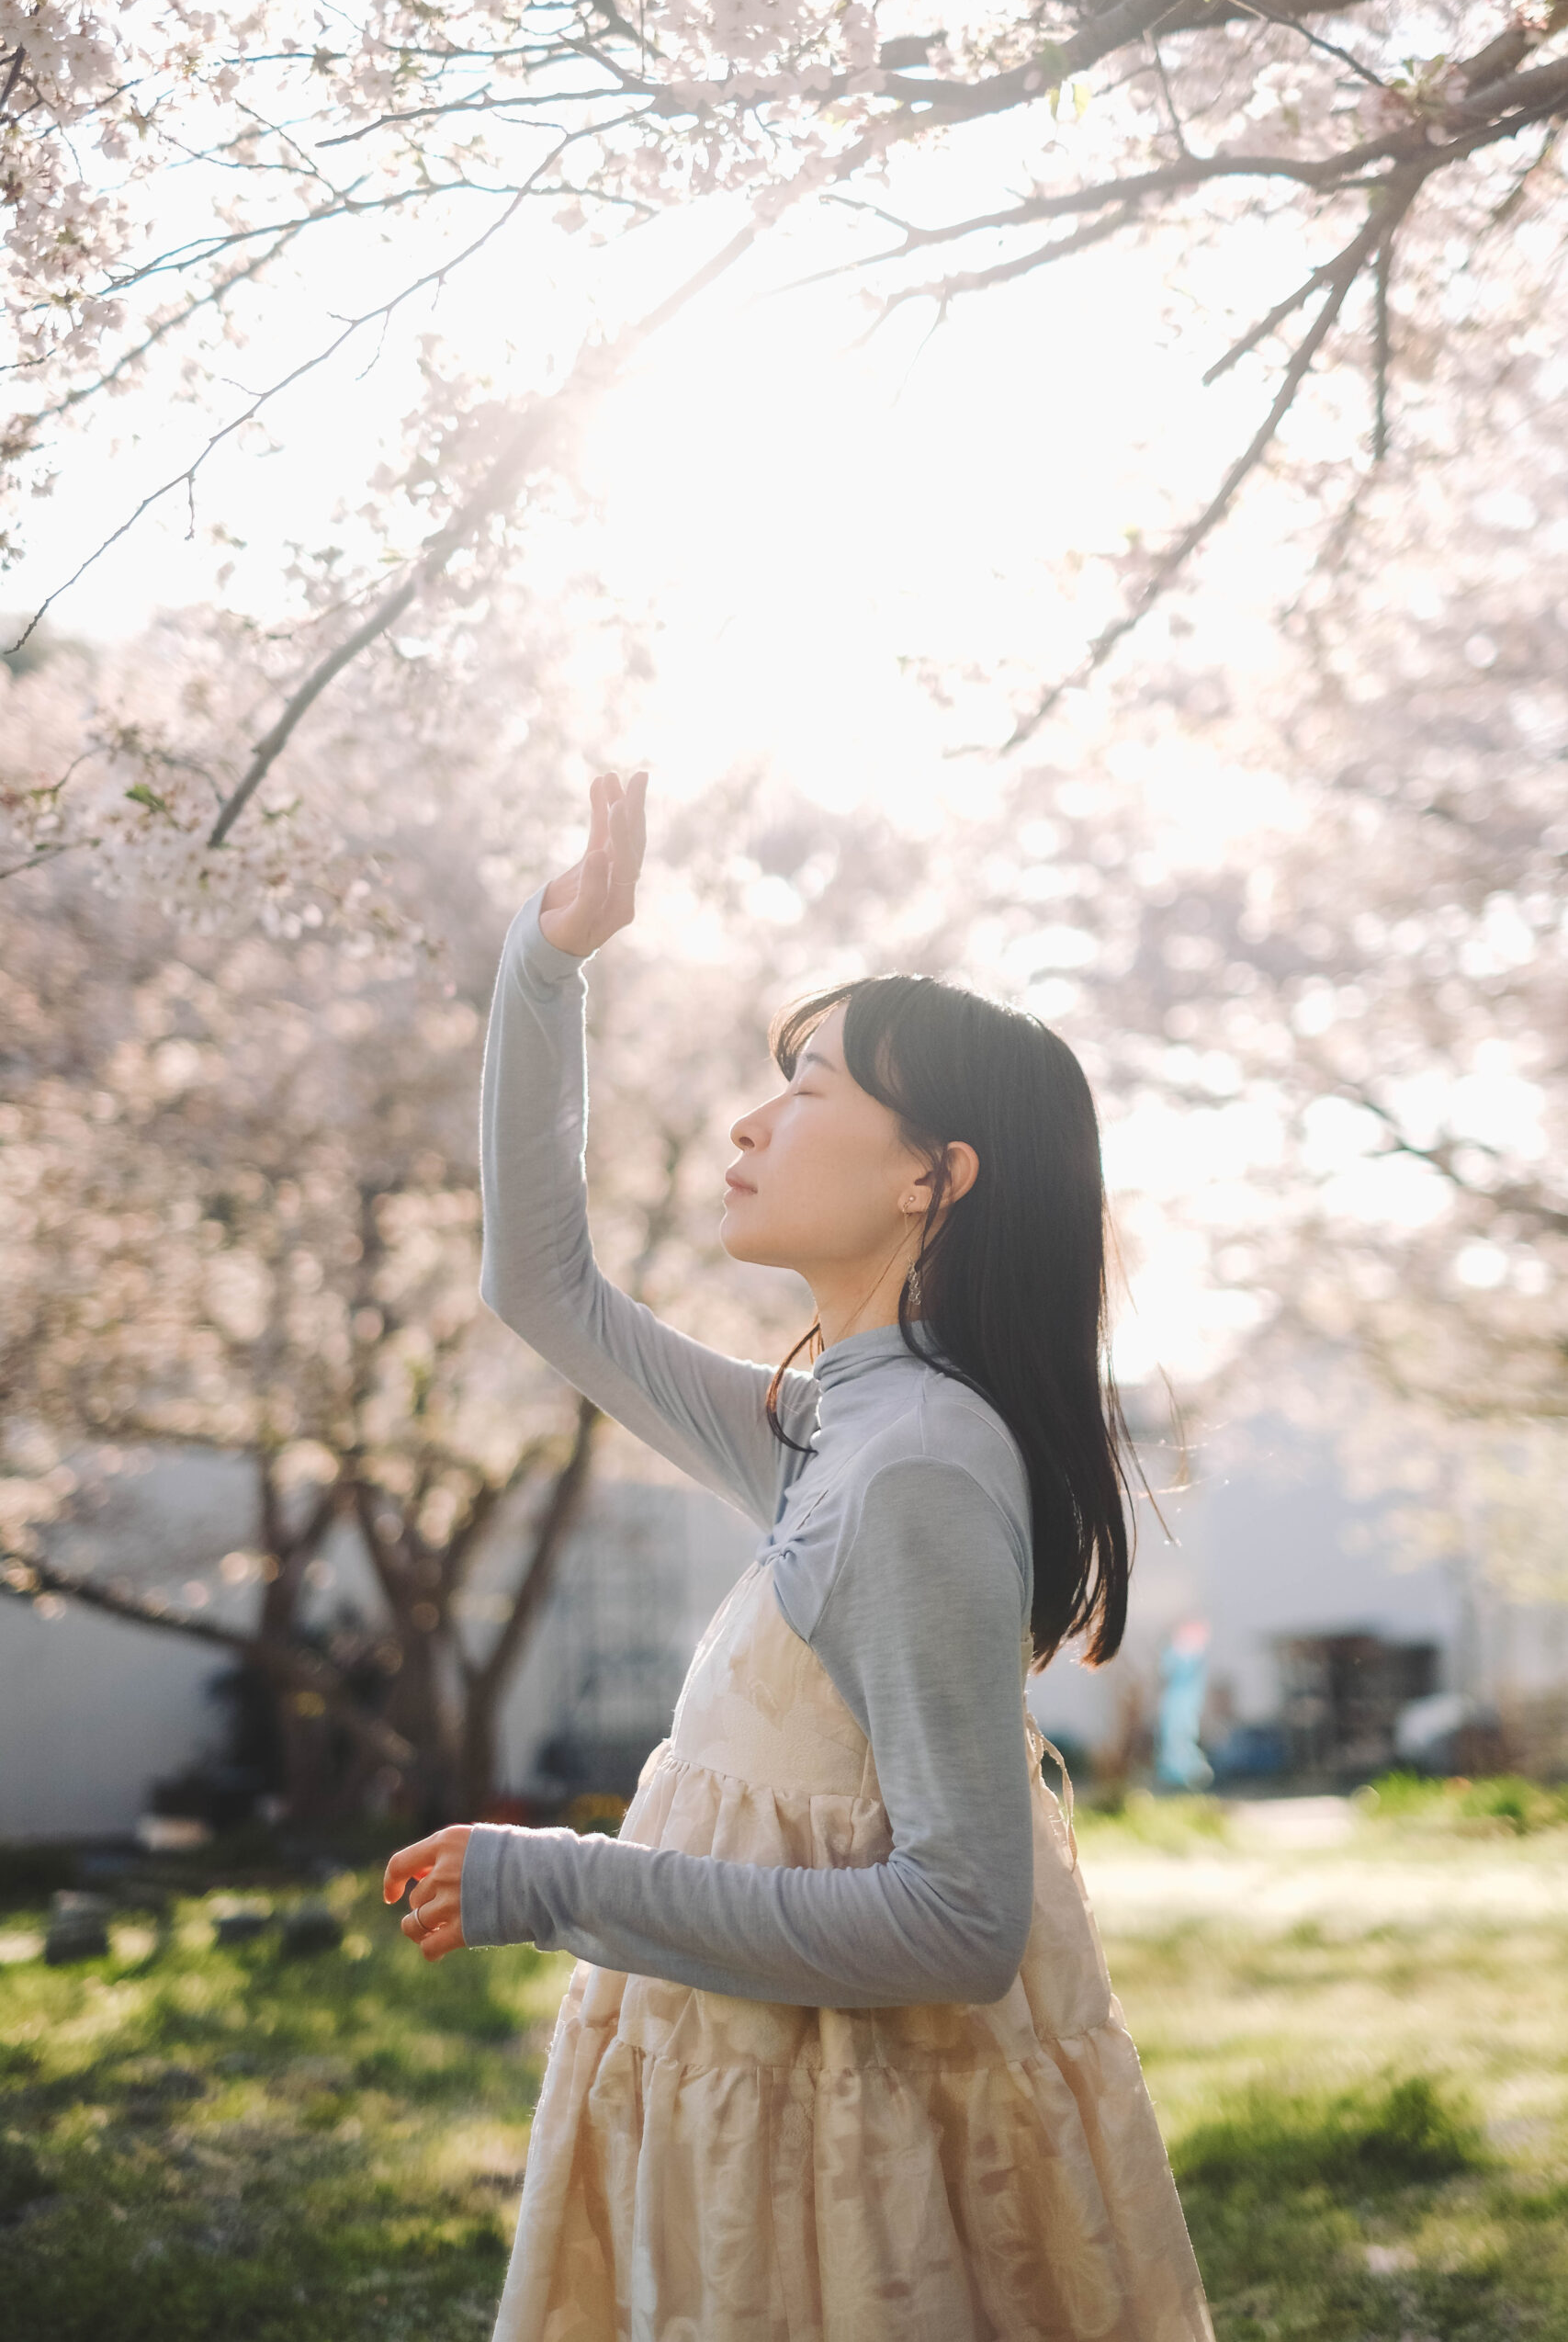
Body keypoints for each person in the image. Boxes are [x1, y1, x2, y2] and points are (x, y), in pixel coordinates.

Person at [384, 770, 1213, 2342]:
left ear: (934, 1175)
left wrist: (549, 1881)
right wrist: (549, 963)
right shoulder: (837, 1421)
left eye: (813, 1087)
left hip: (844, 2155)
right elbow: (540, 1287)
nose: (753, 1121)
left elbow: (962, 1924)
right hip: (770, 2104)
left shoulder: (912, 1467)